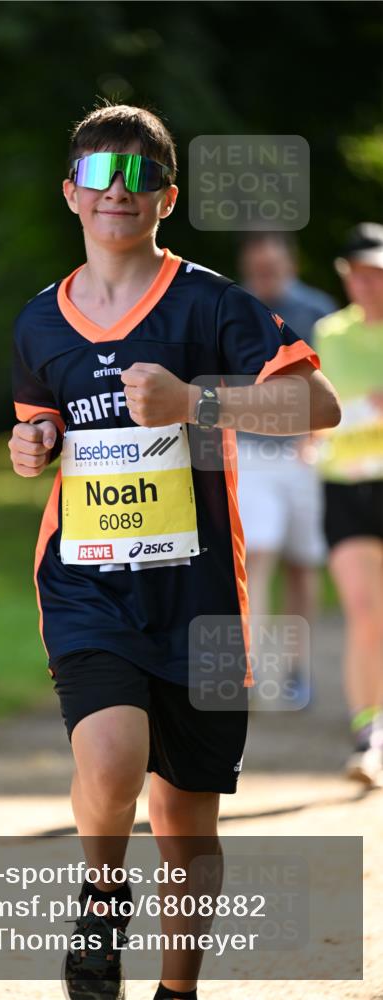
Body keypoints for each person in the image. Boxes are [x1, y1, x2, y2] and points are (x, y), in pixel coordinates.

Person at [8, 102, 340, 1000]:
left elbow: (318, 410)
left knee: (186, 818)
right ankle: (102, 892)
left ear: (167, 197)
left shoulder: (210, 305)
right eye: (98, 177)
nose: (117, 193)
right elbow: (37, 429)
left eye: (138, 178)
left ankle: (175, 990)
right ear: (70, 193)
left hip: (199, 598)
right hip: (88, 583)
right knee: (110, 759)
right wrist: (27, 447)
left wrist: (198, 404)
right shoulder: (41, 322)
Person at [236, 233, 336, 707]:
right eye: (258, 271)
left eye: (272, 269)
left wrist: (318, 441)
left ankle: (297, 669)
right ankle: (253, 666)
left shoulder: (317, 311)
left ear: (289, 264)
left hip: (303, 454)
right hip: (252, 454)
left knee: (302, 564)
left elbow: (334, 388)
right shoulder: (231, 310)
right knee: (259, 554)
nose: (265, 279)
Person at [313, 222, 383, 787]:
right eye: (359, 274)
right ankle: (370, 734)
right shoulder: (328, 333)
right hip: (345, 486)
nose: (369, 283)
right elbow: (322, 409)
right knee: (363, 610)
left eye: (378, 273)